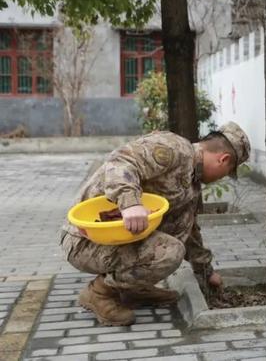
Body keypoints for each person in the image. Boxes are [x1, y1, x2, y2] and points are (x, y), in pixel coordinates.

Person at [60, 122, 250, 326]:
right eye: (227, 172)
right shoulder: (173, 148)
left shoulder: (191, 184)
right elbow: (120, 161)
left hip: (113, 238)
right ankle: (99, 293)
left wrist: (206, 271)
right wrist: (130, 202)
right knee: (170, 251)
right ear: (224, 159)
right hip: (84, 239)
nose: (221, 178)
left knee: (177, 232)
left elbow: (189, 231)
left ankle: (134, 290)